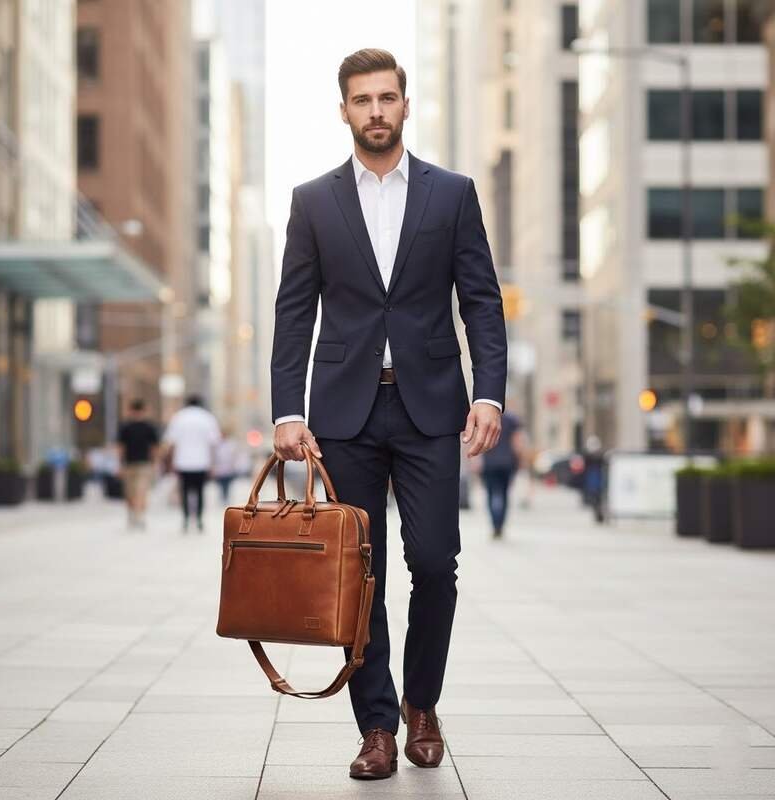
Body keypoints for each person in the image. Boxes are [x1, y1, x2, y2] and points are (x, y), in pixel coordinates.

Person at [270, 49, 507, 780]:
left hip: (430, 406)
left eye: (387, 98)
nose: (376, 111)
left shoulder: (452, 194)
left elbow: (481, 300)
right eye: (362, 100)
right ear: (343, 110)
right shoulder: (313, 201)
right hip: (343, 413)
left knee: (435, 561)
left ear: (406, 105)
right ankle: (376, 724)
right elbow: (293, 311)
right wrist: (286, 411)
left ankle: (422, 706)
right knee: (357, 571)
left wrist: (489, 393)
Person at [163, 395, 221, 532]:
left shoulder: (178, 417)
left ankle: (186, 518)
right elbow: (213, 444)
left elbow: (171, 443)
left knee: (184, 491)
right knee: (200, 492)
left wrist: (170, 462)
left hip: (182, 462)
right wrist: (213, 464)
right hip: (202, 462)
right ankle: (199, 519)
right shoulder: (208, 418)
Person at [481, 406, 525, 538]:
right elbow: (517, 443)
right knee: (504, 494)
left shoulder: (485, 416)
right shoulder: (512, 420)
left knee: (491, 494)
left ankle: (495, 524)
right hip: (507, 462)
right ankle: (500, 525)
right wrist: (520, 461)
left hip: (489, 462)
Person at [116, 399, 159, 529]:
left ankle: (134, 515)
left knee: (132, 492)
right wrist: (155, 463)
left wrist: (120, 464)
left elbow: (120, 448)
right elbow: (155, 448)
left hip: (131, 464)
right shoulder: (149, 427)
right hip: (143, 464)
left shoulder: (126, 427)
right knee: (140, 492)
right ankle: (138, 515)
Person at [213, 427, 242, 505]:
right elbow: (215, 456)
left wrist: (234, 465)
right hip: (219, 469)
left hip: (228, 468)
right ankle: (222, 497)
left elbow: (234, 455)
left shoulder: (230, 444)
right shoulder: (217, 444)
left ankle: (226, 497)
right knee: (221, 484)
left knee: (227, 484)